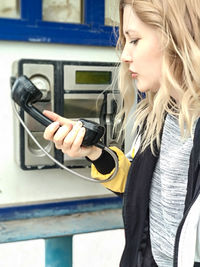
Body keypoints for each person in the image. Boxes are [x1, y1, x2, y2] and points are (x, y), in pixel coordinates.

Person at [43, 0, 200, 266]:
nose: (125, 55)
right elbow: (140, 186)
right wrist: (93, 152)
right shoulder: (158, 116)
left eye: (135, 40)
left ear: (176, 36)